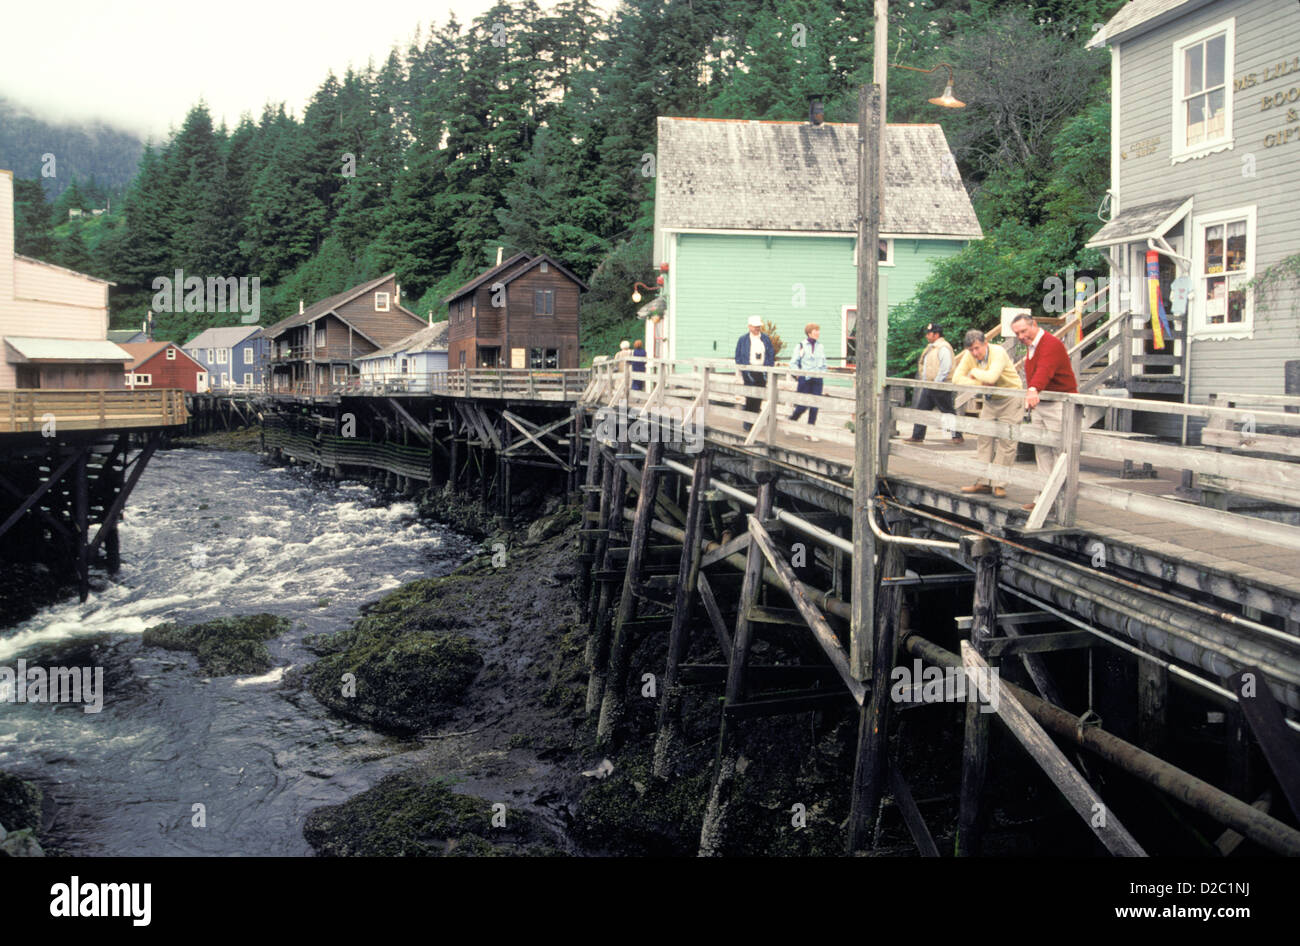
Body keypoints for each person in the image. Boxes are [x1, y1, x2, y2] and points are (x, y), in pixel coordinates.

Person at [1010, 313, 1078, 513]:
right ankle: (1043, 497)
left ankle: (1061, 501)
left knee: (1060, 451)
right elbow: (1033, 373)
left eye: (1024, 331)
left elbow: (1045, 369)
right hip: (1042, 404)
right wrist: (1032, 391)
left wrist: (1033, 389)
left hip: (1059, 404)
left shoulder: (1050, 343)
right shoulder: (1031, 347)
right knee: (1042, 451)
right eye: (1017, 334)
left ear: (1035, 325)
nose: (1021, 336)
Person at [953, 329, 1023, 499]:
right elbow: (956, 378)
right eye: (971, 350)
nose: (975, 353)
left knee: (1007, 442)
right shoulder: (970, 356)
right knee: (984, 439)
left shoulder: (998, 352)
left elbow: (991, 378)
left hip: (1010, 397)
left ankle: (999, 484)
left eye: (977, 348)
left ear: (985, 344)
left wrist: (974, 373)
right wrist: (980, 381)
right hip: (990, 400)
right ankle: (983, 482)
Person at [902, 322, 962, 444]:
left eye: (929, 333)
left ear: (936, 334)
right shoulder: (932, 347)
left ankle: (957, 435)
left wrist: (937, 383)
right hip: (930, 385)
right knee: (922, 410)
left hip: (940, 386)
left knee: (947, 411)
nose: (927, 336)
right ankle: (917, 436)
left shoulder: (943, 347)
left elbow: (945, 367)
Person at [734, 315, 775, 431]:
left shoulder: (765, 338)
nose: (757, 328)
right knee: (750, 397)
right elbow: (738, 356)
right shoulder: (743, 339)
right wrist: (743, 369)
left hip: (762, 371)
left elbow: (770, 353)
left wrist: (768, 367)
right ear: (749, 326)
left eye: (759, 326)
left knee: (759, 397)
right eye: (755, 326)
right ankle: (748, 423)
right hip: (749, 371)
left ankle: (754, 422)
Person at [788, 323, 826, 441]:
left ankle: (809, 432)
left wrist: (823, 372)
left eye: (818, 330)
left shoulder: (820, 346)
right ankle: (790, 422)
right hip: (805, 379)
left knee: (815, 407)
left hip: (817, 379)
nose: (818, 332)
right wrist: (799, 376)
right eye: (815, 330)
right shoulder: (801, 346)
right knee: (802, 406)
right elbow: (793, 363)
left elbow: (824, 363)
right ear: (809, 332)